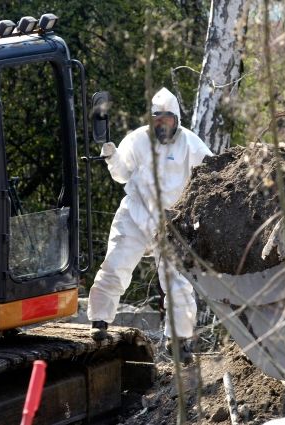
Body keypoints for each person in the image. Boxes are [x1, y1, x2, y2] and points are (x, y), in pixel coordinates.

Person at [87, 87, 213, 362]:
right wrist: (111, 156)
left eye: (167, 119)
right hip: (135, 214)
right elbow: (121, 174)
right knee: (115, 265)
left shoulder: (191, 144)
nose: (162, 124)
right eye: (158, 119)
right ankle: (99, 321)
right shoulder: (137, 140)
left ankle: (178, 341)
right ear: (152, 119)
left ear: (176, 119)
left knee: (179, 283)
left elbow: (211, 171)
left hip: (172, 223)